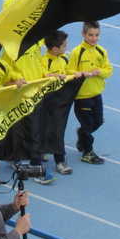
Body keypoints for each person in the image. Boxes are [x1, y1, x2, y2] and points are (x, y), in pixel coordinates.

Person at [69, 21, 112, 166]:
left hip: (96, 92)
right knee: (87, 125)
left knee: (98, 121)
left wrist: (100, 71)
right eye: (90, 35)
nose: (94, 38)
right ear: (83, 34)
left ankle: (82, 134)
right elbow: (69, 71)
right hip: (82, 95)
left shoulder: (101, 51)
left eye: (97, 35)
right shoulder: (77, 52)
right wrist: (80, 73)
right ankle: (87, 152)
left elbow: (108, 70)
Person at [41, 30, 73, 175]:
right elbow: (41, 76)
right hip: (46, 102)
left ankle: (60, 160)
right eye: (65, 45)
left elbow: (70, 71)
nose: (67, 47)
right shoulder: (43, 61)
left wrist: (72, 74)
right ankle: (41, 150)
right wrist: (49, 76)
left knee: (58, 130)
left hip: (60, 102)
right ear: (55, 49)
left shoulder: (64, 59)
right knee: (44, 128)